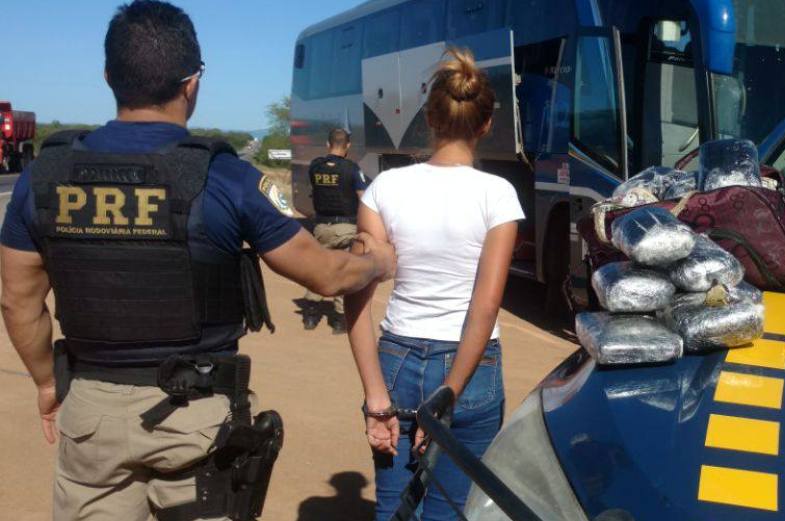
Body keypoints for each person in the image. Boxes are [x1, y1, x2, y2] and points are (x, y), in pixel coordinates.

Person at [0, 2, 395, 521]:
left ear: (108, 77)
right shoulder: (225, 176)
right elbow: (325, 273)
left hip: (90, 412)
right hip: (197, 418)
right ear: (192, 83)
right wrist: (377, 262)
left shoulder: (45, 175)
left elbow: (17, 298)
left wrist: (49, 384)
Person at [345, 48, 525, 520]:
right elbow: (485, 308)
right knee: (451, 508)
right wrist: (450, 390)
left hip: (396, 361)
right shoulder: (498, 195)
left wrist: (374, 396)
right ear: (486, 125)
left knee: (393, 505)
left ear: (428, 118)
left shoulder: (384, 188)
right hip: (471, 368)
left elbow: (355, 298)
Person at [303, 128, 369, 334]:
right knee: (343, 270)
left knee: (319, 269)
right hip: (346, 228)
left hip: (321, 227)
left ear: (327, 144)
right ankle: (339, 320)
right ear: (348, 145)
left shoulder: (315, 167)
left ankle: (311, 315)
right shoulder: (352, 169)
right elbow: (363, 198)